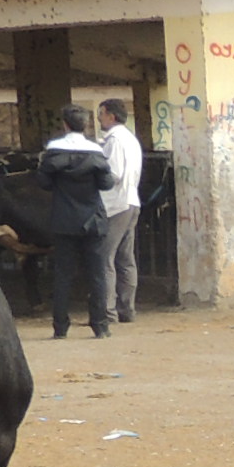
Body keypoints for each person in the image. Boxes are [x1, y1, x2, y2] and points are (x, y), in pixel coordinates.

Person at [35, 108, 114, 338]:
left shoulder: (53, 152)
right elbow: (107, 184)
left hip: (64, 220)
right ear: (85, 125)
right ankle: (100, 326)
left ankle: (60, 328)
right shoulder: (96, 152)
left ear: (65, 125)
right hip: (93, 220)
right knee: (97, 274)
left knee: (62, 275)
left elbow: (43, 182)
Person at [96, 98, 146, 322]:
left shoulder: (114, 140)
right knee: (126, 259)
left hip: (115, 204)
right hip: (131, 200)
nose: (99, 118)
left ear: (111, 116)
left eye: (101, 113)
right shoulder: (130, 138)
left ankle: (107, 312)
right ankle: (127, 309)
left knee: (104, 258)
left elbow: (113, 174)